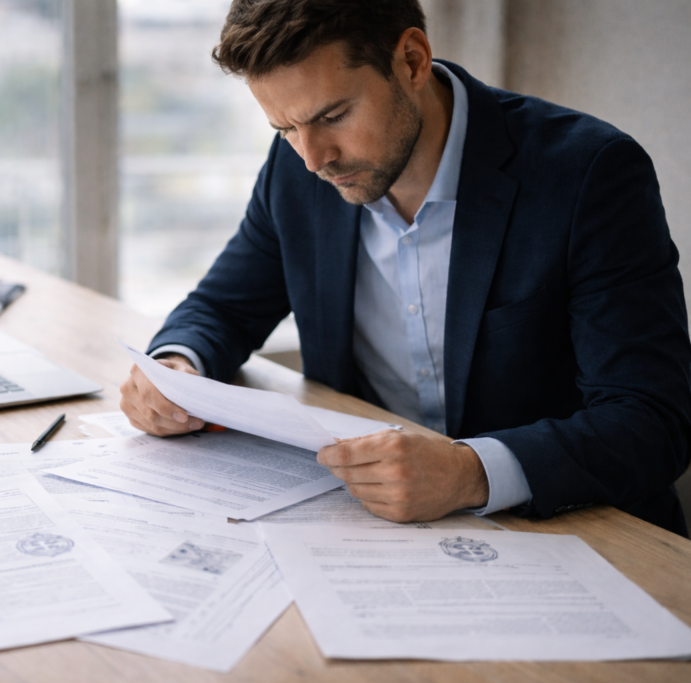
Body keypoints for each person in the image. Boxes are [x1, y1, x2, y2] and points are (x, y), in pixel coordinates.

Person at [120, 0, 691, 536]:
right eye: (285, 129)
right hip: (370, 527)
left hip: (578, 534)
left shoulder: (588, 173)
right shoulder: (299, 169)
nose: (314, 159)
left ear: (412, 61)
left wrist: (470, 472)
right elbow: (224, 306)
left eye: (333, 115)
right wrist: (176, 368)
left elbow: (652, 420)